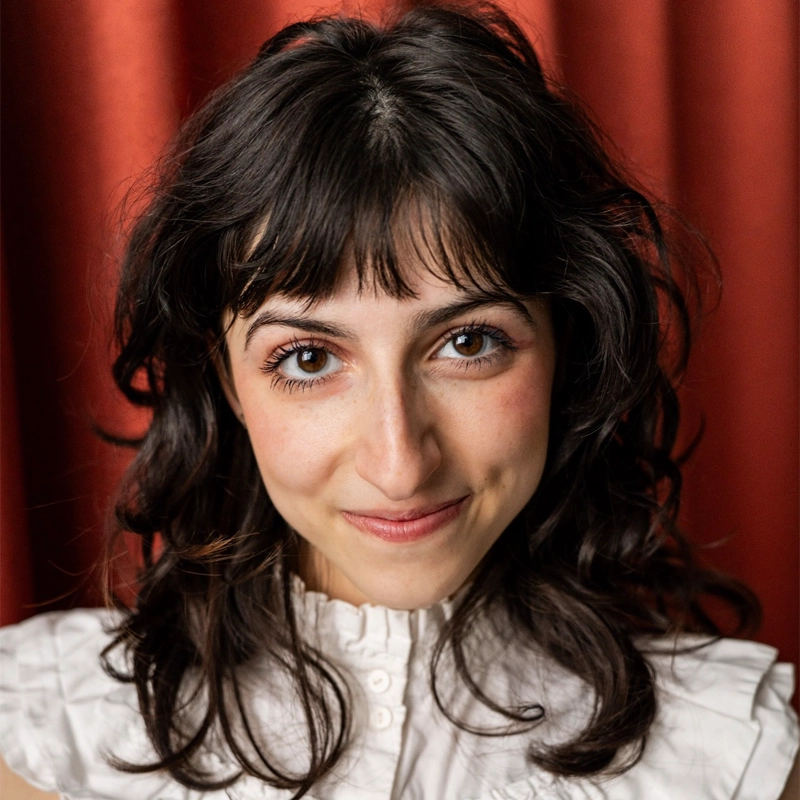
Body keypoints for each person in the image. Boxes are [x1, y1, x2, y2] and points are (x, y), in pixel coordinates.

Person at [0, 3, 797, 798]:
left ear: (568, 349)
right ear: (225, 381)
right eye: (309, 357)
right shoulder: (48, 731)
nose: (400, 463)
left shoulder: (731, 758)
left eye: (468, 343)